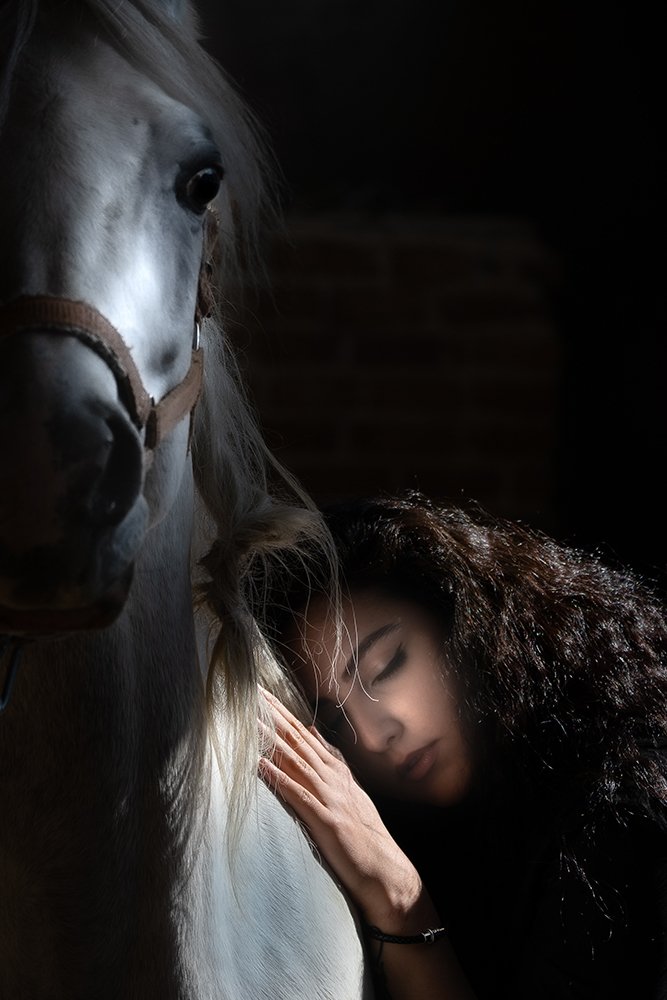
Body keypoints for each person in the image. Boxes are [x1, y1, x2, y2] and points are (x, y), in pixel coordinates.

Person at [257, 491, 667, 999]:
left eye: (385, 665)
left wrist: (401, 899)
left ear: (461, 624)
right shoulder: (437, 831)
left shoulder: (628, 797)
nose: (373, 736)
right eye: (336, 724)